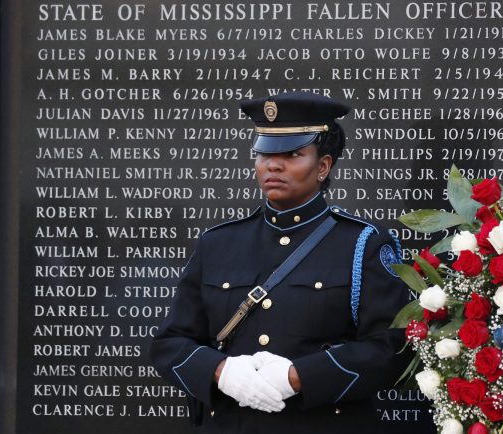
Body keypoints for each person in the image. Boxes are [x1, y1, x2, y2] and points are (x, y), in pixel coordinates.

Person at [150, 91, 411, 433]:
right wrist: (221, 371)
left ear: (323, 166)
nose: (273, 164)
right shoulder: (217, 244)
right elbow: (171, 342)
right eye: (264, 154)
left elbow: (393, 347)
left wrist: (298, 377)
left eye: (292, 154)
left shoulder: (363, 242)